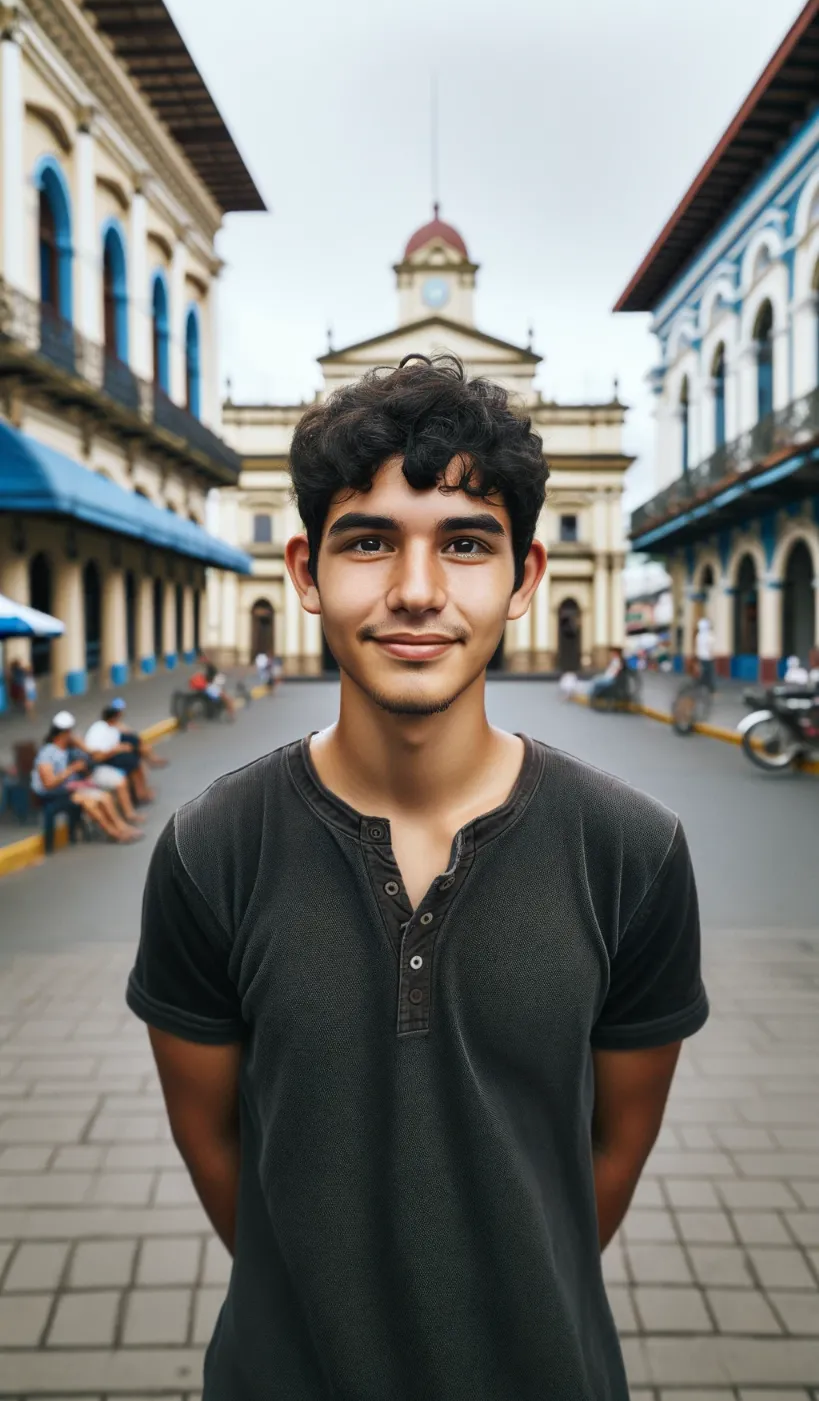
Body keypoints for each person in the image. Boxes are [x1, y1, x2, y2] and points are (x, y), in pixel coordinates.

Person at [126, 354, 708, 1401]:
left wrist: (508, 1291)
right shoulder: (210, 850)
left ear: (527, 578)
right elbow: (213, 1142)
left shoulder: (635, 851)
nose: (416, 591)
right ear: (305, 571)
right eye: (369, 540)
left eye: (468, 543)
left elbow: (612, 1154)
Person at [32, 712, 142, 844]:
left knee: (105, 798)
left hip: (69, 788)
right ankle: (114, 833)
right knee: (90, 803)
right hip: (54, 793)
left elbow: (92, 755)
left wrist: (81, 745)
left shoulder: (69, 749)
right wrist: (71, 769)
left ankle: (122, 828)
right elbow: (48, 783)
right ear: (64, 734)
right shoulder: (47, 753)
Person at [82, 704, 149, 821]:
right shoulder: (98, 730)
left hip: (108, 759)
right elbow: (97, 756)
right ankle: (130, 813)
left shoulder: (111, 727)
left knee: (134, 760)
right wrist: (117, 749)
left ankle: (140, 793)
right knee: (121, 780)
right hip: (98, 765)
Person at [694, 616, 716, 692]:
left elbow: (698, 647)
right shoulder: (709, 635)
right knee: (709, 672)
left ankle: (703, 684)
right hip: (708, 657)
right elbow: (711, 645)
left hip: (702, 656)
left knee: (704, 671)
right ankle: (708, 686)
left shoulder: (699, 636)